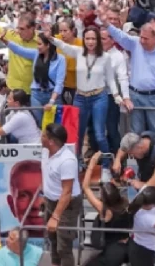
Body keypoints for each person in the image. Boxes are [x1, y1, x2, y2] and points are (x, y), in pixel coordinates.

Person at [46, 25, 118, 167]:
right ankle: (78, 163)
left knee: (99, 134)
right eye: (87, 38)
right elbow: (63, 45)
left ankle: (106, 166)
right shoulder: (78, 52)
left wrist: (117, 96)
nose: (90, 42)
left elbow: (110, 79)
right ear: (83, 39)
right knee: (77, 134)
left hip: (99, 97)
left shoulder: (106, 57)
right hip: (80, 97)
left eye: (93, 38)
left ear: (98, 40)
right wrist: (50, 38)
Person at [103, 20, 155, 135]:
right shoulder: (135, 43)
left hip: (154, 97)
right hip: (135, 96)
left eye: (146, 39)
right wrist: (106, 23)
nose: (142, 41)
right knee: (135, 133)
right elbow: (120, 36)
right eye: (141, 37)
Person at [1, 30, 66, 125]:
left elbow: (59, 83)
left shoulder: (60, 59)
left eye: (40, 44)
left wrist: (52, 101)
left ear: (48, 45)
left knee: (55, 125)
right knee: (39, 123)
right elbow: (19, 50)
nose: (37, 47)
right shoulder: (36, 54)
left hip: (54, 96)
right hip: (37, 95)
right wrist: (4, 40)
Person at [41, 123, 82, 266]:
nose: (41, 137)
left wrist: (55, 216)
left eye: (44, 135)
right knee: (52, 239)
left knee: (63, 247)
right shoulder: (46, 151)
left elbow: (67, 192)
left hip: (66, 205)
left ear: (51, 141)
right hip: (50, 201)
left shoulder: (67, 160)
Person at [82, 152, 132, 266]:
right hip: (125, 246)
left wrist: (92, 163)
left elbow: (85, 187)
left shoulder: (105, 210)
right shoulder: (126, 204)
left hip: (110, 251)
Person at [0, 14, 38, 93]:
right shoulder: (12, 35)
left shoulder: (41, 41)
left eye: (22, 29)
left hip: (34, 91)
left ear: (32, 29)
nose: (18, 31)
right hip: (13, 88)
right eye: (18, 28)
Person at [114, 132, 155, 202]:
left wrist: (142, 185)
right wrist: (117, 159)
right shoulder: (140, 138)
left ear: (139, 147)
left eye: (132, 154)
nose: (131, 156)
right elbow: (123, 148)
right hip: (146, 188)